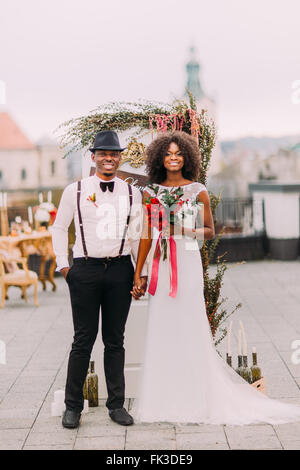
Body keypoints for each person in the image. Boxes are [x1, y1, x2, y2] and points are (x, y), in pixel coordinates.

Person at [131, 130, 300, 425]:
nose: (173, 158)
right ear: (160, 157)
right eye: (168, 154)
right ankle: (164, 397)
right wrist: (139, 273)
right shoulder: (150, 192)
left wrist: (185, 230)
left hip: (187, 260)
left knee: (189, 324)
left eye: (178, 153)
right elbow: (146, 234)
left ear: (187, 157)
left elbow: (209, 230)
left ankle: (197, 395)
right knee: (162, 326)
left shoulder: (198, 191)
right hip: (162, 265)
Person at [52, 130, 147, 429]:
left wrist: (138, 273)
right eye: (103, 153)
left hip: (120, 269)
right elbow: (58, 228)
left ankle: (116, 406)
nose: (109, 158)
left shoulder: (133, 193)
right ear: (93, 157)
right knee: (83, 340)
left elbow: (135, 236)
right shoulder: (75, 190)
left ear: (120, 158)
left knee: (115, 340)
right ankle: (72, 407)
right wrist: (64, 267)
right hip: (85, 270)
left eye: (114, 153)